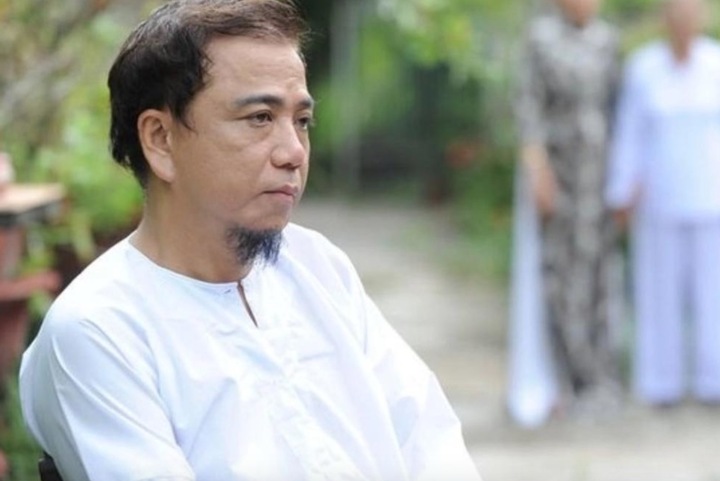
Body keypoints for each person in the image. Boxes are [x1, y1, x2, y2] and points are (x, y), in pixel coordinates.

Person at [17, 1, 483, 480]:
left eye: (301, 121)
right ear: (160, 139)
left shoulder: (317, 265)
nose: (293, 152)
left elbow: (429, 441)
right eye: (260, 117)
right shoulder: (100, 330)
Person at [509, 0, 623, 427]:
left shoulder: (608, 41)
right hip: (560, 177)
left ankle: (600, 381)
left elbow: (618, 109)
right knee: (560, 278)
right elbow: (528, 108)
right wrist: (536, 169)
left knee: (600, 280)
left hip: (601, 180)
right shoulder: (541, 38)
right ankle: (563, 382)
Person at [606, 0, 720, 407]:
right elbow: (630, 132)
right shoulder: (644, 67)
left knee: (713, 296)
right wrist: (621, 192)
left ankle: (712, 381)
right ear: (664, 20)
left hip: (711, 198)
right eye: (676, 14)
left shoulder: (716, 63)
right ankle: (660, 383)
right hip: (659, 197)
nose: (683, 23)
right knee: (657, 294)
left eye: (690, 14)